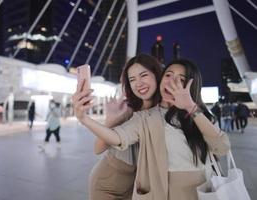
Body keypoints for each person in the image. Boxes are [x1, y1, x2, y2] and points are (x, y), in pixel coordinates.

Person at [72, 59, 230, 200]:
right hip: (116, 183)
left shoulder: (199, 115)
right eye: (168, 75)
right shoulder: (138, 114)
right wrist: (87, 118)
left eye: (180, 79)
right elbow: (112, 140)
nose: (172, 82)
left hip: (192, 190)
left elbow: (222, 148)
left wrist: (191, 107)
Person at [89, 54, 162, 200]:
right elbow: (97, 149)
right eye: (132, 79)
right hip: (106, 185)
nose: (138, 83)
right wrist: (110, 120)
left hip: (135, 187)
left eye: (143, 75)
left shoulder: (163, 112)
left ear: (156, 75)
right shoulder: (127, 109)